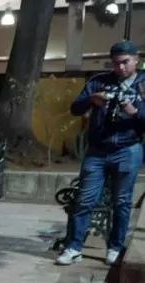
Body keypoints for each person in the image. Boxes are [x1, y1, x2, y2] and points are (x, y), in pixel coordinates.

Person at [57, 40, 145, 266]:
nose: (120, 68)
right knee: (84, 199)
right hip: (97, 150)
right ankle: (74, 248)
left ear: (136, 60)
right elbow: (75, 109)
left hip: (128, 149)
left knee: (122, 202)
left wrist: (135, 112)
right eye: (115, 63)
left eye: (125, 62)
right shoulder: (99, 81)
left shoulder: (143, 83)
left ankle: (115, 248)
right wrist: (91, 100)